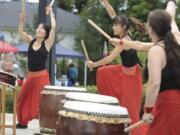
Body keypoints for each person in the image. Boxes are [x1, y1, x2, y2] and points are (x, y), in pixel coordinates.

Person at [87, 1, 148, 135]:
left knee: (131, 113)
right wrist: (105, 3)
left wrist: (93, 64)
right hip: (123, 70)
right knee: (103, 72)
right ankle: (110, 105)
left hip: (131, 77)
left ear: (124, 27)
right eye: (113, 24)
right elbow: (113, 14)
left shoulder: (124, 41)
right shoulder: (124, 34)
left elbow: (109, 58)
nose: (113, 27)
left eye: (116, 25)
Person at [142, 0, 180, 135]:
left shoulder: (156, 50)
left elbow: (154, 83)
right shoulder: (176, 40)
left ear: (150, 28)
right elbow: (171, 16)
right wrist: (172, 2)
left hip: (168, 105)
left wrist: (147, 111)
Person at [16, 5, 56, 128]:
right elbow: (20, 32)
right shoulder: (31, 40)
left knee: (42, 103)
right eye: (38, 28)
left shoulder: (47, 44)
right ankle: (22, 122)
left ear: (46, 33)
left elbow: (54, 27)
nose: (38, 30)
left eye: (42, 29)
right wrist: (21, 21)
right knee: (21, 98)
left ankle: (46, 125)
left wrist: (51, 13)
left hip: (41, 77)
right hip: (31, 77)